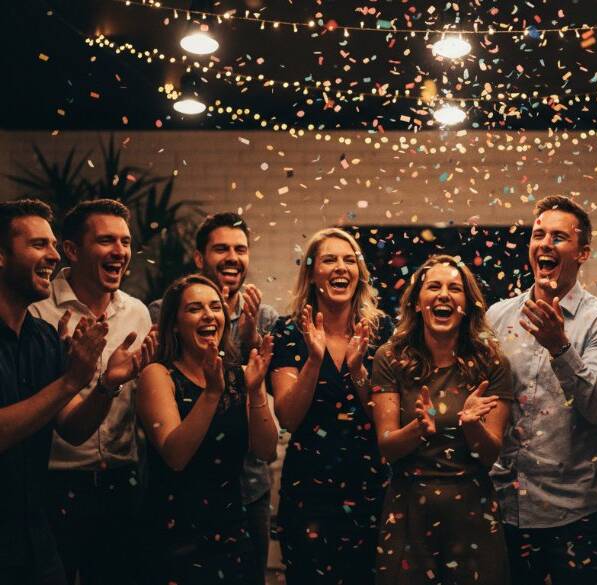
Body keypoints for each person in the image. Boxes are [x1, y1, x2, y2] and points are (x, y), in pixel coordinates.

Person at [487, 195, 597, 585]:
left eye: (559, 237)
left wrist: (559, 347)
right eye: (538, 235)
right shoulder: (497, 316)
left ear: (583, 252)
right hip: (504, 506)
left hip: (573, 514)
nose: (545, 244)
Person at [29, 199, 156, 585]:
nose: (120, 251)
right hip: (55, 485)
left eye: (126, 242)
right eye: (106, 240)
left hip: (121, 482)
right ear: (71, 250)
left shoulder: (137, 313)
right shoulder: (40, 312)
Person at [148, 212, 279, 584]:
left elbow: (266, 450)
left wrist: (255, 388)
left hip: (235, 513)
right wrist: (212, 391)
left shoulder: (243, 365)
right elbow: (174, 455)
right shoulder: (160, 372)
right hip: (177, 520)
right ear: (172, 321)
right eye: (195, 308)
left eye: (215, 308)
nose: (208, 315)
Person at [372, 255, 513, 585]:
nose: (444, 295)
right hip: (408, 508)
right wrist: (418, 430)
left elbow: (490, 455)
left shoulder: (491, 362)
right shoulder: (390, 357)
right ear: (418, 303)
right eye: (433, 286)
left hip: (472, 511)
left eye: (455, 288)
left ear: (468, 304)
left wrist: (471, 424)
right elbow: (388, 448)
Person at [269, 228, 391, 585]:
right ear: (311, 273)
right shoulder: (289, 331)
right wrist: (314, 358)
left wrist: (356, 371)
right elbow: (289, 416)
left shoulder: (382, 331)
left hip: (370, 487)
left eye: (349, 259)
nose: (341, 267)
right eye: (329, 259)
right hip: (309, 491)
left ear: (360, 272)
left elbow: (386, 418)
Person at [0, 199, 112, 585]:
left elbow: (73, 428)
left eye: (52, 244)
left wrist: (106, 384)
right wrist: (69, 381)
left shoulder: (43, 338)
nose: (53, 255)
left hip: (35, 532)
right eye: (37, 245)